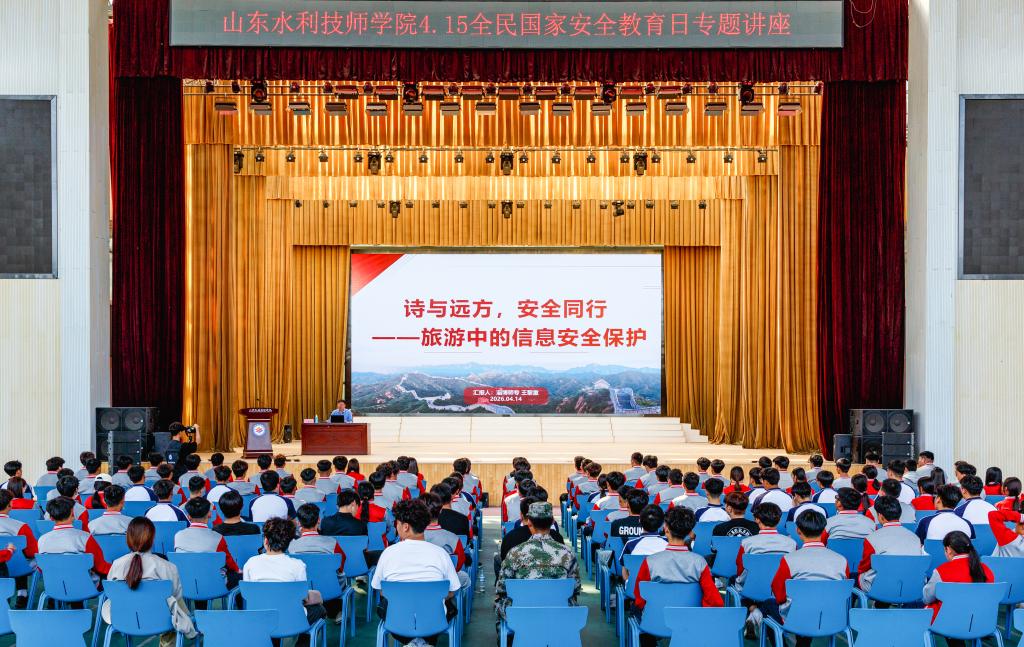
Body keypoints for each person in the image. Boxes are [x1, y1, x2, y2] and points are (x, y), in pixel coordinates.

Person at [372, 500, 460, 646]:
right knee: (448, 606)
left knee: (385, 606)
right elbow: (452, 590)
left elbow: (381, 590)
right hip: (433, 620)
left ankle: (413, 642)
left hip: (397, 620)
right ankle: (421, 642)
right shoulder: (440, 554)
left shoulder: (388, 553)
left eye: (397, 523)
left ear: (405, 527)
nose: (396, 527)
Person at [631, 507, 723, 646]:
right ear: (690, 532)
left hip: (655, 622)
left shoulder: (650, 562)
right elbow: (714, 600)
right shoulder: (700, 563)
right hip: (690, 622)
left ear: (666, 529)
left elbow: (639, 598)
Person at [105, 518, 197, 646]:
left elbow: (111, 594)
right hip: (161, 621)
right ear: (152, 539)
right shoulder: (168, 567)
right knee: (174, 603)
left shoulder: (116, 565)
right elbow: (176, 596)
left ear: (128, 539)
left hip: (124, 619)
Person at [243, 517, 327, 646]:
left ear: (265, 540)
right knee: (318, 609)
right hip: (291, 619)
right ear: (288, 543)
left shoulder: (251, 563)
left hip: (260, 618)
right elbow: (303, 598)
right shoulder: (297, 565)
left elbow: (248, 594)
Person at [769, 511, 848, 646]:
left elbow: (779, 594)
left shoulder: (789, 559)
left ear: (798, 531)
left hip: (797, 618)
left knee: (768, 605)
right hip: (832, 616)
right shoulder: (841, 560)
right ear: (823, 531)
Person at [496, 501, 580, 623]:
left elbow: (502, 588)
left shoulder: (515, 553)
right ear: (552, 521)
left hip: (522, 617)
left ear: (529, 522)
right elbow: (575, 587)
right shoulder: (567, 553)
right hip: (558, 615)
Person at [734, 502, 797, 634]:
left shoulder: (747, 543)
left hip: (753, 588)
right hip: (780, 591)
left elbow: (740, 569)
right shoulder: (791, 543)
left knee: (735, 581)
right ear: (779, 520)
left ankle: (754, 611)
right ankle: (758, 613)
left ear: (757, 519)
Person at [857, 495, 925, 593]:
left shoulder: (871, 538)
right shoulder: (916, 539)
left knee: (861, 575)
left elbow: (864, 567)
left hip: (881, 589)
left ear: (880, 516)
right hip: (910, 587)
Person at [922, 530, 994, 622]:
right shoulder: (986, 569)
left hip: (946, 621)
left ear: (948, 549)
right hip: (978, 620)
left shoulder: (942, 571)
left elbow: (927, 598)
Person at [174, 497, 241, 587]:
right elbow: (229, 562)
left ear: (188, 516)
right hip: (213, 585)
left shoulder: (178, 536)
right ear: (209, 514)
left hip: (186, 583)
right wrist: (238, 570)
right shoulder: (218, 538)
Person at [38, 497, 110, 579]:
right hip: (84, 584)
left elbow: (41, 567)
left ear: (51, 517)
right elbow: (100, 567)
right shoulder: (85, 538)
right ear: (72, 513)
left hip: (54, 584)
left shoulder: (42, 540)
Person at [421, 493, 470, 586]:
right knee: (465, 577)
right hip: (443, 584)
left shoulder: (408, 539)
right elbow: (458, 565)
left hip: (415, 583)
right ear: (440, 511)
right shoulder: (453, 538)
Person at [0, 489, 37, 606]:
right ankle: (22, 593)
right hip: (20, 568)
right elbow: (32, 552)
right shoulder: (21, 526)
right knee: (26, 557)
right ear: (10, 504)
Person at [620, 505, 669, 576]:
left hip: (635, 583)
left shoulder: (630, 544)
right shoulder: (668, 543)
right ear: (662, 523)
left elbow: (625, 573)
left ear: (639, 520)